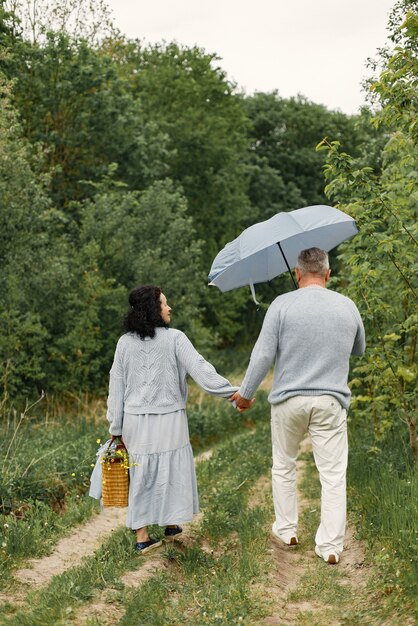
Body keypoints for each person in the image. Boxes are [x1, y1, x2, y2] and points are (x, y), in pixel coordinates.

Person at [231, 247, 365, 565]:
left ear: (298, 273)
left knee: (284, 465)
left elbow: (262, 354)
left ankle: (287, 529)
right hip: (331, 399)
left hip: (289, 400)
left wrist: (246, 394)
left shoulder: (281, 305)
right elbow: (359, 348)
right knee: (332, 474)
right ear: (328, 274)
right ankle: (330, 546)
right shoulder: (347, 305)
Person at [106, 284, 238, 554]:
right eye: (164, 303)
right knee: (171, 468)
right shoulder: (176, 338)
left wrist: (115, 428)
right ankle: (170, 523)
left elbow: (116, 387)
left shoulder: (124, 343)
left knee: (140, 473)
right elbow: (201, 370)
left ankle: (142, 537)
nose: (169, 307)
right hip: (170, 418)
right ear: (154, 309)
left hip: (135, 421)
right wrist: (233, 393)